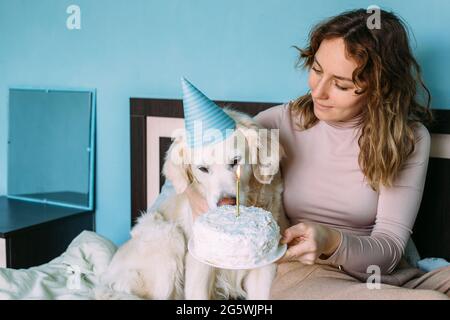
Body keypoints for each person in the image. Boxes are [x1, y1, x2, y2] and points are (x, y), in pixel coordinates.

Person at [184, 8, 450, 299]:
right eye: (317, 70)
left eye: (341, 84)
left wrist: (332, 242)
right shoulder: (276, 123)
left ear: (379, 87)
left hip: (384, 275)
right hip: (301, 273)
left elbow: (388, 248)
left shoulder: (408, 138)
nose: (318, 92)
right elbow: (199, 167)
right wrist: (195, 197)